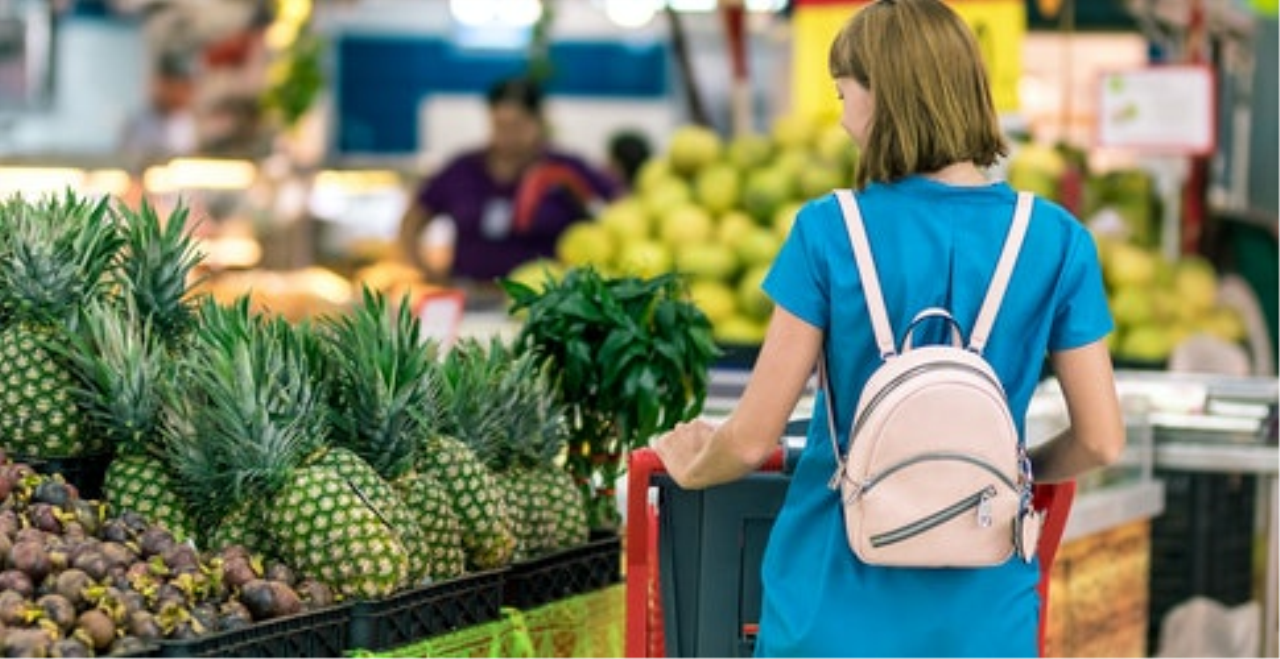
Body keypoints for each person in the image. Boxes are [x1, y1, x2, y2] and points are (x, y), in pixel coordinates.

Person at [651, 1, 1126, 657]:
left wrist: (693, 464)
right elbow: (1101, 440)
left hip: (831, 601)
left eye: (844, 93)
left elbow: (753, 436)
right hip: (985, 612)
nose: (844, 117)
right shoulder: (1056, 239)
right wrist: (1007, 471)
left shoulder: (829, 231)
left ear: (883, 97)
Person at [397, 76, 622, 285]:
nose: (507, 136)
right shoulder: (462, 169)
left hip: (547, 299)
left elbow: (620, 209)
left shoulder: (566, 170)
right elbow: (413, 221)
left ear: (538, 122)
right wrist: (427, 273)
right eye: (500, 125)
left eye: (517, 126)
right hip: (470, 294)